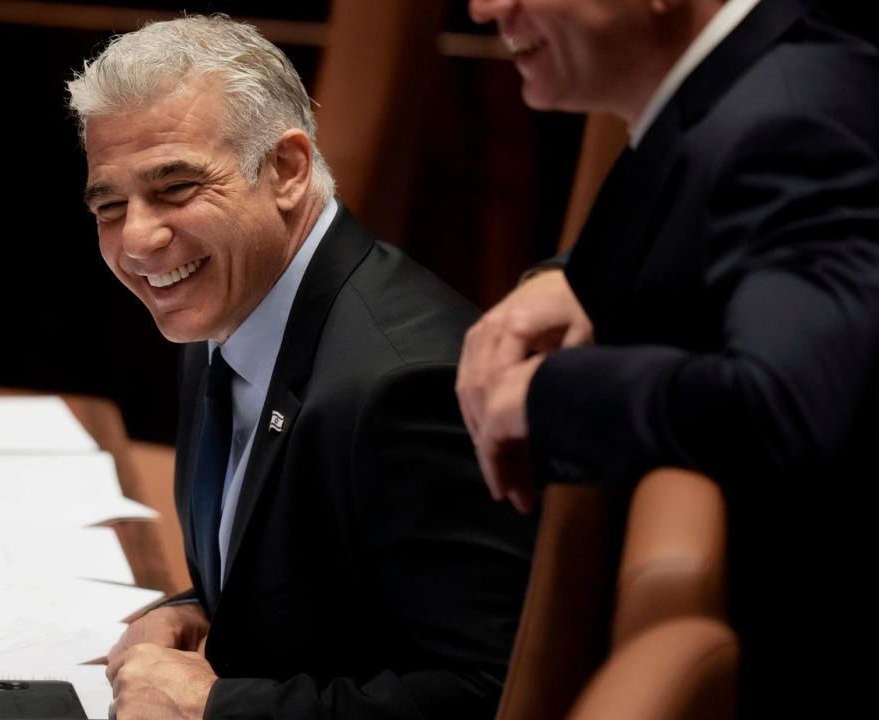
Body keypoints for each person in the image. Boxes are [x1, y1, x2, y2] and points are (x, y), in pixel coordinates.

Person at [67, 15, 534, 720]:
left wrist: (219, 706)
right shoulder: (227, 300)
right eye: (110, 205)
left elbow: (490, 695)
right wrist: (193, 608)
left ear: (285, 169)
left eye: (176, 189)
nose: (138, 239)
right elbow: (325, 578)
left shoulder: (406, 386)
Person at [460, 0, 879, 711]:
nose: (485, 8)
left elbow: (779, 408)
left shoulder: (790, 119)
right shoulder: (721, 89)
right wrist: (573, 276)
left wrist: (546, 395)